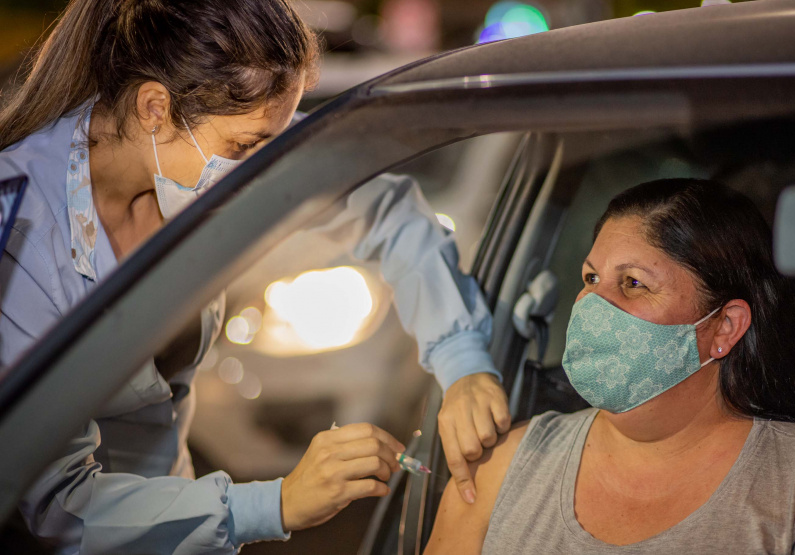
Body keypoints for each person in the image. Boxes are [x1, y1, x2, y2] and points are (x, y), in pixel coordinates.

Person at [0, 0, 507, 552]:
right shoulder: (21, 233)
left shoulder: (227, 135)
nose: (264, 172)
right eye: (242, 148)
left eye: (274, 141)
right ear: (153, 107)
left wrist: (462, 363)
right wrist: (277, 502)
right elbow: (57, 507)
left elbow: (382, 208)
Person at [426, 179, 795, 554]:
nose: (593, 305)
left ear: (723, 327)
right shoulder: (503, 467)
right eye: (591, 277)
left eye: (634, 283)